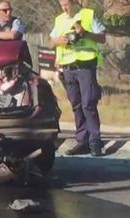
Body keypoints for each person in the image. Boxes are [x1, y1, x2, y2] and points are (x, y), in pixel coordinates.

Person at [49, 0, 105, 156]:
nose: (65, 8)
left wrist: (84, 33)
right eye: (62, 5)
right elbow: (51, 41)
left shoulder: (88, 14)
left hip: (85, 66)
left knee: (89, 103)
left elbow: (102, 38)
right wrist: (58, 41)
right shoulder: (60, 20)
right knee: (76, 104)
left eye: (67, 4)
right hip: (68, 68)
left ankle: (95, 142)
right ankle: (82, 141)